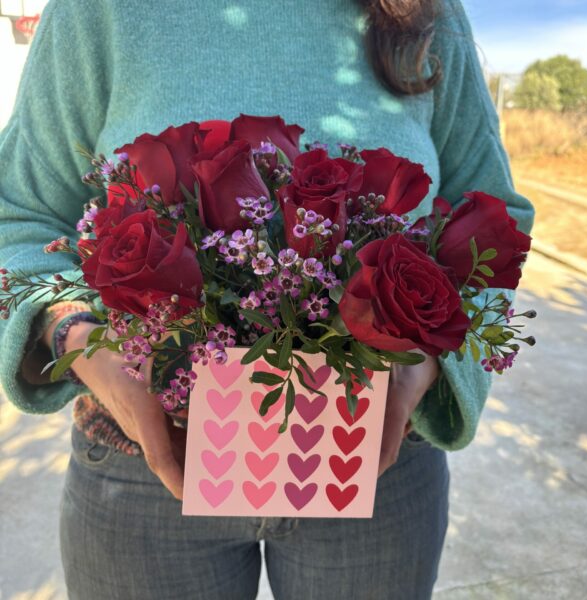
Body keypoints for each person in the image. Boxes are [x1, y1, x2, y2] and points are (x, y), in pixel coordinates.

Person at [0, 0, 534, 598]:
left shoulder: (422, 13)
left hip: (371, 466)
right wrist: (75, 332)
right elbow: (18, 215)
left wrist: (430, 364)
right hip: (141, 471)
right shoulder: (98, 11)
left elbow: (494, 224)